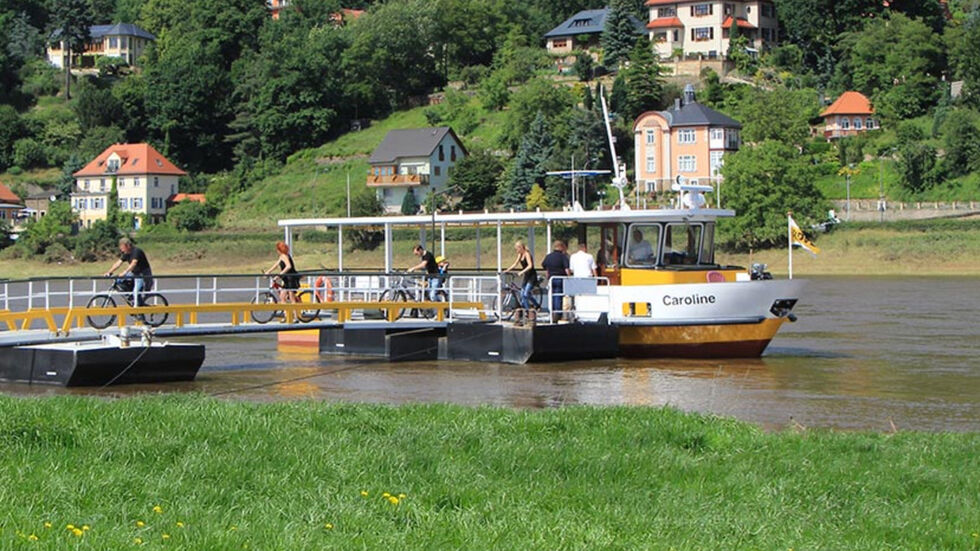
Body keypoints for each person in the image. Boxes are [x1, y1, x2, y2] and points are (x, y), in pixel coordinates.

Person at [104, 237, 153, 307]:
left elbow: (133, 264)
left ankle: (139, 312)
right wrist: (109, 272)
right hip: (134, 273)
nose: (122, 250)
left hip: (142, 274)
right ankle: (130, 296)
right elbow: (118, 263)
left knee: (136, 292)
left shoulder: (136, 251)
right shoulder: (126, 253)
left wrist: (125, 272)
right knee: (118, 281)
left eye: (123, 248)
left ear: (128, 246)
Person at [504, 240, 539, 324]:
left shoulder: (527, 254)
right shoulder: (520, 255)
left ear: (521, 247)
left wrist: (521, 272)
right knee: (522, 294)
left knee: (526, 293)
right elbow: (515, 263)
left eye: (517, 249)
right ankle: (528, 309)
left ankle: (533, 307)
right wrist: (507, 270)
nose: (516, 251)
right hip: (526, 276)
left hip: (531, 275)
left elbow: (530, 265)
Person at [541, 240, 570, 322]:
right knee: (558, 295)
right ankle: (557, 313)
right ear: (561, 247)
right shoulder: (563, 257)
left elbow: (544, 265)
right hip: (560, 278)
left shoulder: (549, 256)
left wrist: (548, 271)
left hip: (551, 279)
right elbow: (567, 269)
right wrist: (570, 278)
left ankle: (553, 311)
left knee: (553, 295)